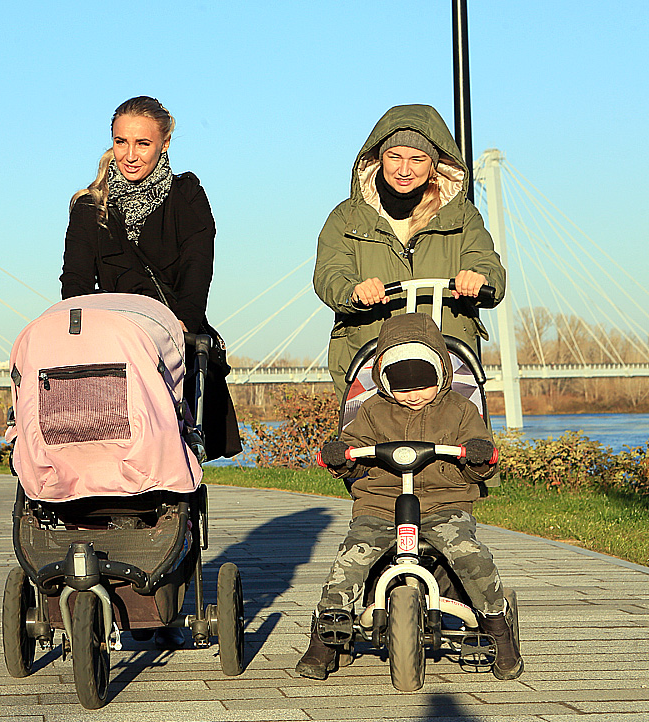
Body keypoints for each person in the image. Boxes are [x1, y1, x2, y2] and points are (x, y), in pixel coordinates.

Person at [296, 312, 522, 681]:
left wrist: (479, 457)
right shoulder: (372, 411)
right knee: (351, 559)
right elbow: (353, 450)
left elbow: (480, 457)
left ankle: (497, 624)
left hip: (443, 505)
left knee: (469, 554)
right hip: (381, 505)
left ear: (441, 373)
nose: (414, 395)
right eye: (402, 387)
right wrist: (341, 457)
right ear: (385, 380)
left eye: (423, 385)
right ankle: (327, 630)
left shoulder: (460, 409)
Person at [61, 95, 241, 460]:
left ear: (165, 143)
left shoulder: (186, 196)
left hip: (172, 338)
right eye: (121, 142)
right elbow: (75, 285)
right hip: (111, 343)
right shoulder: (88, 208)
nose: (130, 155)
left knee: (171, 441)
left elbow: (197, 268)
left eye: (142, 144)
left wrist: (182, 323)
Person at [313, 103, 507, 398]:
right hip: (370, 366)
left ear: (434, 164)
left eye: (417, 159)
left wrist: (479, 278)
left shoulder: (463, 216)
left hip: (448, 367)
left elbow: (487, 265)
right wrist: (353, 291)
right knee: (369, 430)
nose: (404, 170)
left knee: (459, 428)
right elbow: (330, 274)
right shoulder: (346, 218)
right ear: (379, 158)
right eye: (395, 156)